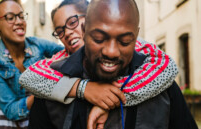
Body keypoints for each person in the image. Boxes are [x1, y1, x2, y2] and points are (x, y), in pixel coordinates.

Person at [27, 0, 198, 129]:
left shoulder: (160, 79)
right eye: (99, 39)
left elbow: (168, 65)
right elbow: (30, 77)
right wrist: (82, 88)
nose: (111, 51)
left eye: (124, 41)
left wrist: (114, 99)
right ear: (86, 30)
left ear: (136, 36)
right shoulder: (50, 81)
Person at [0, 0, 63, 128]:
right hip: (0, 122)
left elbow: (69, 54)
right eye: (10, 17)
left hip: (35, 119)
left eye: (21, 16)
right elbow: (11, 110)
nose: (20, 21)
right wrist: (46, 88)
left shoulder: (38, 45)